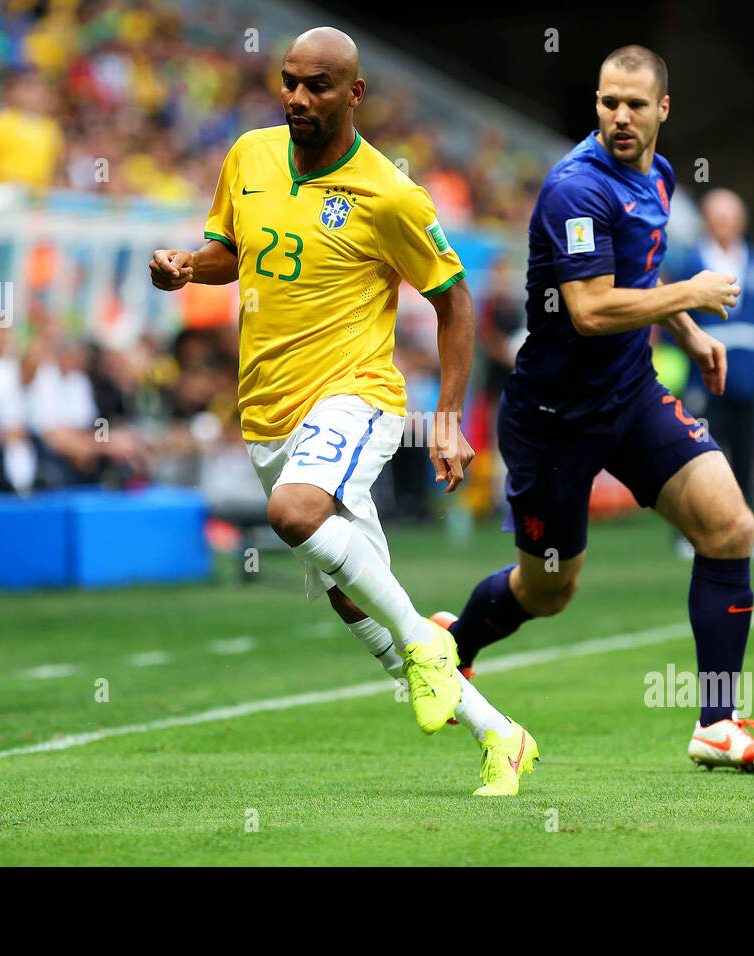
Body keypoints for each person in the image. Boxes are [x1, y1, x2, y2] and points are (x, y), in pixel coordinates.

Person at [149, 27, 538, 796]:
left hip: (357, 395)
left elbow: (453, 301)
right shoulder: (249, 156)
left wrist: (450, 417)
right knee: (354, 596)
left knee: (296, 512)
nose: (297, 97)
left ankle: (434, 649)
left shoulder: (388, 193)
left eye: (317, 85)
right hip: (266, 413)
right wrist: (187, 265)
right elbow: (234, 251)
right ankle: (502, 736)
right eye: (289, 81)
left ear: (354, 93)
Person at [442, 45, 754, 772]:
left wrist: (686, 333)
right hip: (553, 420)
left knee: (729, 526)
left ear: (664, 109)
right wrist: (691, 296)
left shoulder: (654, 174)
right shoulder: (575, 188)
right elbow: (592, 309)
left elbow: (640, 271)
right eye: (607, 103)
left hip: (628, 397)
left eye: (634, 104)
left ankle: (716, 724)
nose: (619, 117)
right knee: (549, 590)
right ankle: (456, 642)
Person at [664, 188, 754, 559]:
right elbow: (673, 316)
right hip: (704, 379)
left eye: (729, 217)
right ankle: (691, 533)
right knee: (699, 457)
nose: (722, 225)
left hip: (749, 381)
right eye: (716, 217)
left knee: (747, 459)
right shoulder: (690, 263)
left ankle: (749, 529)